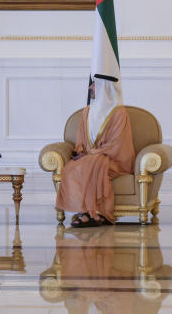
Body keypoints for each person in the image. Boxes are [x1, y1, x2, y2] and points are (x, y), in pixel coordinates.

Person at [56, 74, 134, 228]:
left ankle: (93, 213)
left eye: (94, 85)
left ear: (105, 88)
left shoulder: (119, 113)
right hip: (91, 157)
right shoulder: (87, 112)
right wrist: (81, 151)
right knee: (70, 167)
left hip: (114, 159)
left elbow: (118, 144)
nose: (90, 88)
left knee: (91, 163)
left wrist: (92, 153)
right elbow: (81, 140)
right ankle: (83, 211)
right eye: (91, 85)